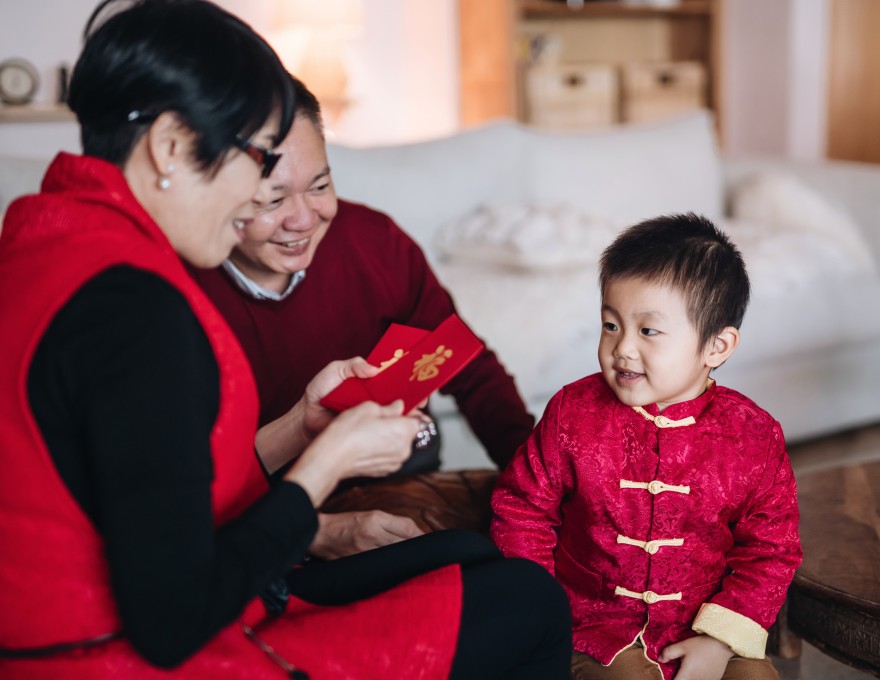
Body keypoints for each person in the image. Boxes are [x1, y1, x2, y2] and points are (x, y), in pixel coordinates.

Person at [0, 1, 570, 678]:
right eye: (257, 160)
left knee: (475, 560)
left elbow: (164, 487)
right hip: (123, 653)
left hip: (146, 610)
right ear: (172, 146)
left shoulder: (49, 239)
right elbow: (172, 621)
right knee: (532, 602)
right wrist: (327, 463)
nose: (257, 198)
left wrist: (302, 427)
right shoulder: (138, 307)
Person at [189, 77, 535, 558]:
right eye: (272, 200)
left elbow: (469, 369)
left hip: (405, 482)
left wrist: (541, 489)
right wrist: (312, 532)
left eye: (320, 185)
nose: (304, 219)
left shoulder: (372, 241)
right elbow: (181, 490)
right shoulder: (177, 292)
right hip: (258, 512)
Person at [491, 214, 802, 680]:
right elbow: (521, 508)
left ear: (716, 347)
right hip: (591, 627)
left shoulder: (753, 435)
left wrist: (718, 641)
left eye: (648, 331)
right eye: (611, 325)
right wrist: (542, 609)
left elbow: (772, 549)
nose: (623, 349)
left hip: (709, 626)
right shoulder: (572, 413)